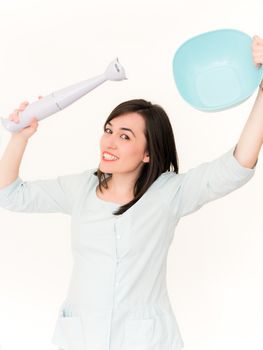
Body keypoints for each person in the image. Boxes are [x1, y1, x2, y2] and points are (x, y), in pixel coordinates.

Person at [0, 35, 262, 350]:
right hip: (80, 339)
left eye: (124, 137)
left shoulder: (169, 194)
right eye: (108, 131)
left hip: (146, 341)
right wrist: (21, 137)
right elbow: (9, 194)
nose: (109, 143)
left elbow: (236, 166)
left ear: (148, 153)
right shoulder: (79, 189)